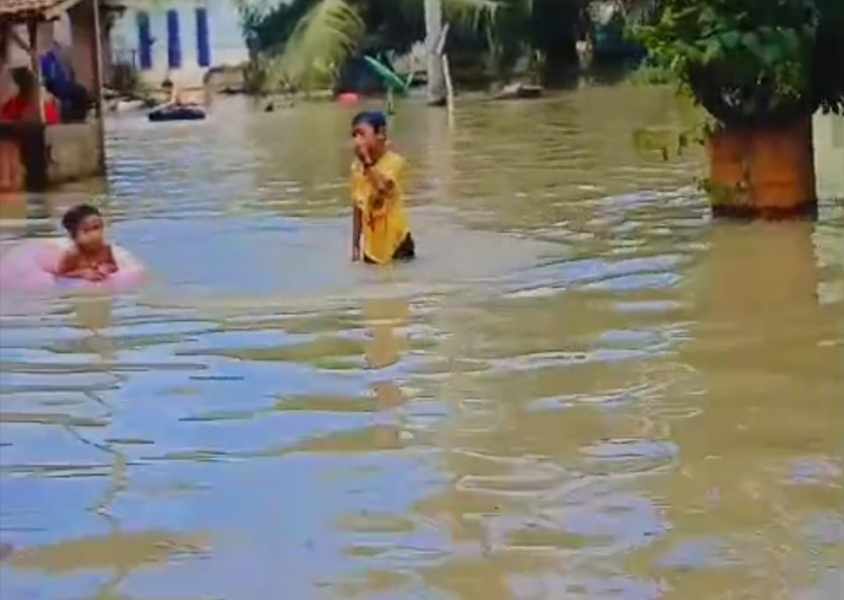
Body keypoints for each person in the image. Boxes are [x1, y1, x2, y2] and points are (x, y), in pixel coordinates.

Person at [350, 111, 415, 264]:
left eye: (362, 134)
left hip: (398, 245)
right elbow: (357, 207)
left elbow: (383, 189)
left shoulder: (395, 162)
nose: (357, 141)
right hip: (372, 247)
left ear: (381, 134)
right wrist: (355, 246)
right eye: (354, 136)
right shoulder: (356, 168)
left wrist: (366, 162)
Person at [55, 204, 118, 282]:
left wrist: (107, 267)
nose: (94, 234)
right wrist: (82, 273)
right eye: (86, 230)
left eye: (97, 227)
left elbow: (114, 266)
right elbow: (61, 275)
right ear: (73, 236)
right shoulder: (73, 254)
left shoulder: (106, 249)